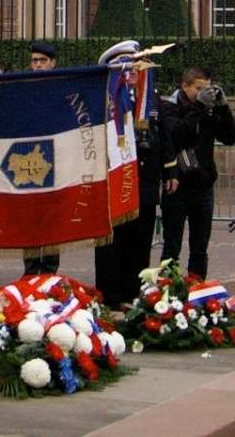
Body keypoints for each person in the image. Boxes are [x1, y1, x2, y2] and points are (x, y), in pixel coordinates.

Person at [93, 41, 178, 310]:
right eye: (126, 66)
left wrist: (170, 169)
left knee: (140, 241)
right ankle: (111, 296)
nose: (132, 72)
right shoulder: (103, 100)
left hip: (144, 183)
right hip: (115, 184)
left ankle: (133, 293)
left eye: (135, 65)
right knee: (112, 243)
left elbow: (163, 134)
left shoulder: (148, 99)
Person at [160, 66, 235, 278]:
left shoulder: (208, 109)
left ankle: (197, 291)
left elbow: (229, 137)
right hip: (177, 187)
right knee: (171, 248)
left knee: (199, 249)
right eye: (199, 88)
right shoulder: (170, 107)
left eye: (208, 89)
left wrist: (222, 107)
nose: (204, 93)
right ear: (185, 86)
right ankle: (166, 295)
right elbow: (178, 135)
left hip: (203, 187)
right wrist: (199, 107)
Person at [23, 40, 60, 276]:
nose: (37, 65)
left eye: (42, 61)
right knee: (29, 216)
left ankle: (48, 268)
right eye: (34, 61)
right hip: (28, 159)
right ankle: (30, 268)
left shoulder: (59, 87)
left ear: (52, 63)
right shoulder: (23, 85)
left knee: (51, 218)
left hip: (54, 158)